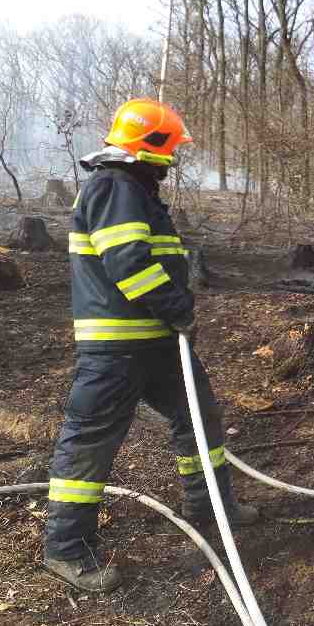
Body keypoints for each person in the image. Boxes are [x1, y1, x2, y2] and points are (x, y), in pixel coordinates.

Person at [44, 98, 258, 594]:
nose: (172, 161)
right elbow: (129, 265)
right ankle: (66, 549)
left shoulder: (132, 190)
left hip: (156, 344)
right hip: (116, 350)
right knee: (90, 443)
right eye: (168, 151)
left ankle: (210, 506)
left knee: (199, 419)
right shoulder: (114, 188)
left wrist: (173, 316)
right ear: (150, 148)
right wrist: (177, 307)